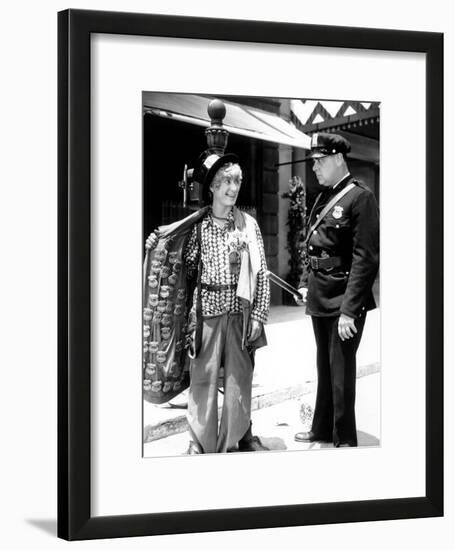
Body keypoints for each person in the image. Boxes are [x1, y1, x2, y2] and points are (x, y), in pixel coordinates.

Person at [146, 152, 270, 454]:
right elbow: (182, 268)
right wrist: (155, 245)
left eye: (237, 181)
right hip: (207, 315)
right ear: (213, 187)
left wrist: (258, 315)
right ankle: (200, 442)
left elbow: (261, 271)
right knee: (203, 382)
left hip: (239, 314)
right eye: (226, 181)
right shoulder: (198, 228)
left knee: (239, 381)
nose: (233, 187)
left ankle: (237, 437)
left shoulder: (247, 225)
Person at [294, 133, 379, 447]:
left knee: (341, 373)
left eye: (320, 160)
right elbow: (313, 245)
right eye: (314, 162)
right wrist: (305, 283)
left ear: (338, 158)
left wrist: (349, 311)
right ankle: (321, 428)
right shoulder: (324, 196)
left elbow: (365, 258)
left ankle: (344, 439)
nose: (315, 167)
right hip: (320, 295)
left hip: (344, 299)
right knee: (325, 367)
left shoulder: (361, 198)